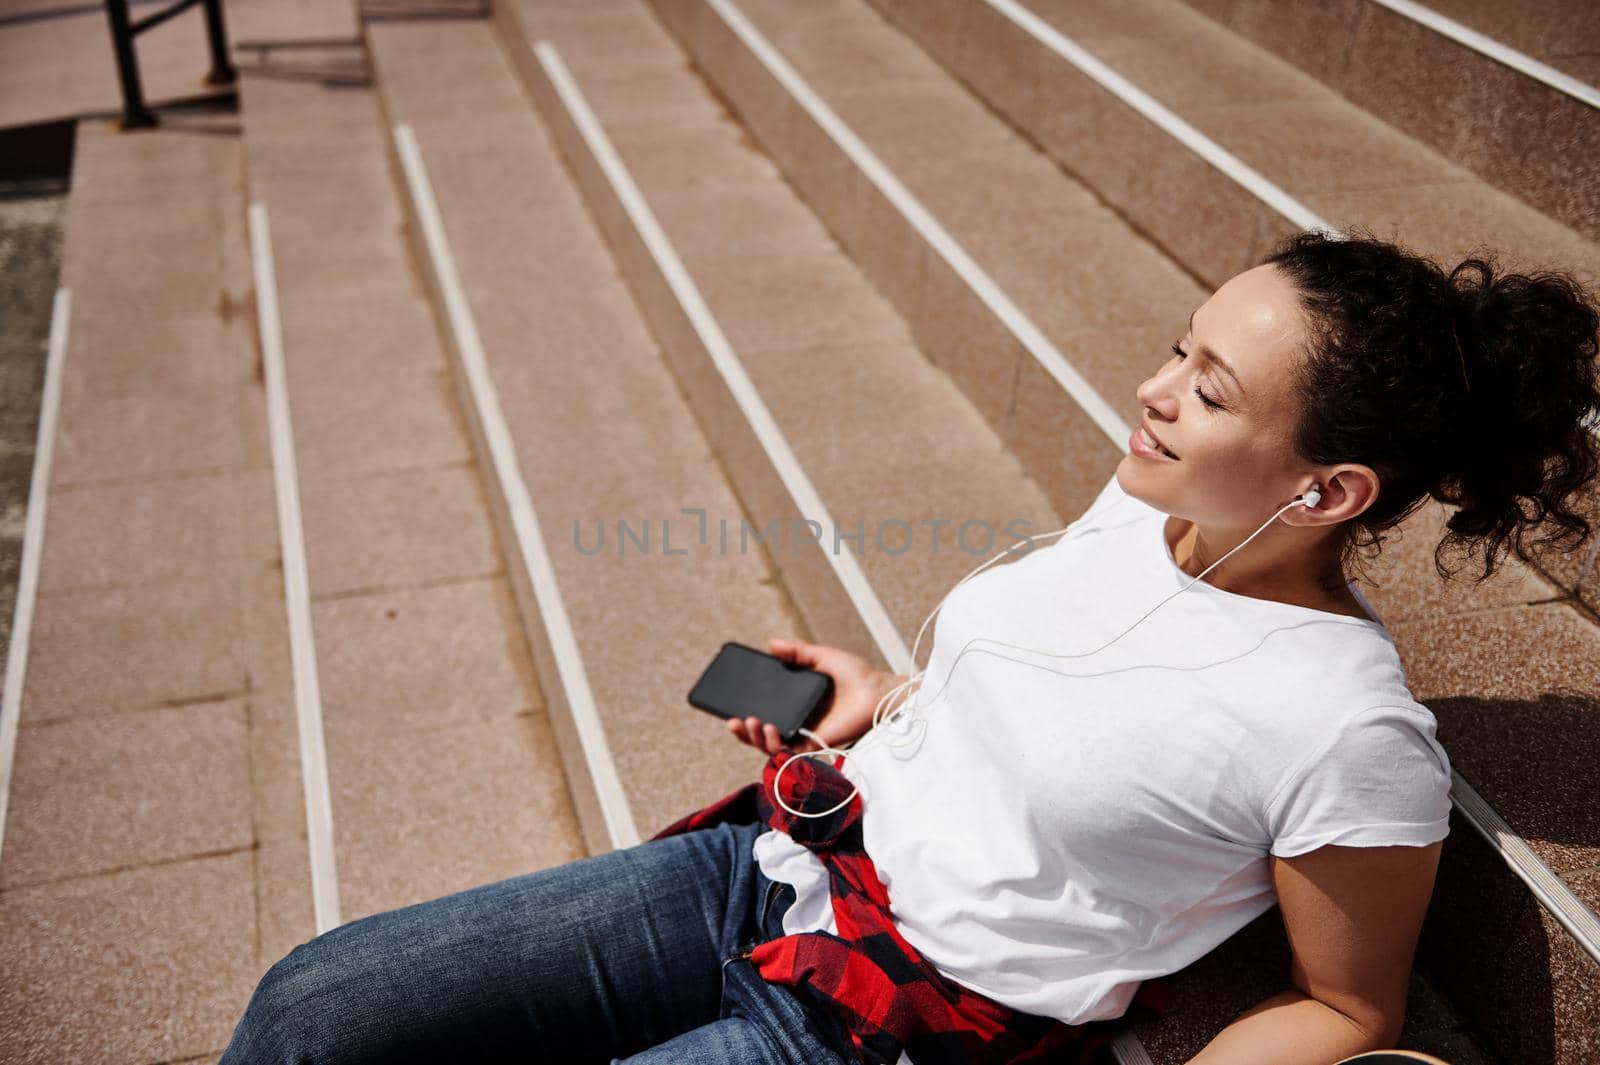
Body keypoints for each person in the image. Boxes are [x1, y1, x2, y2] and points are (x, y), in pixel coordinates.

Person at [217, 227, 1600, 1064]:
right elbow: (1056, 685)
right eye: (1179, 349)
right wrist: (881, 700)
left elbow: (1345, 1005)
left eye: (1207, 387)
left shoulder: (1344, 727)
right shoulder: (1148, 503)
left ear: (1328, 490)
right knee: (312, 1011)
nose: (1152, 390)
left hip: (871, 1023)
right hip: (760, 867)